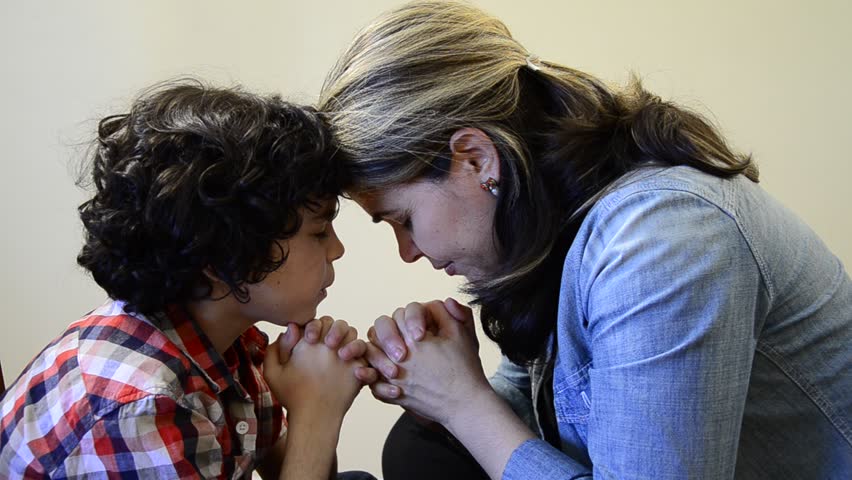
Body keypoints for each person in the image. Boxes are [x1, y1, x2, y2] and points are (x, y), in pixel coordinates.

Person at [317, 1, 852, 478]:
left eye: (403, 219)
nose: (409, 252)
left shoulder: (661, 240)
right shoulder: (555, 229)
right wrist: (437, 384)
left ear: (476, 159)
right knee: (422, 448)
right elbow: (549, 418)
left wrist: (463, 403)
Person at [0, 81, 377, 480]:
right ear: (226, 257)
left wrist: (311, 392)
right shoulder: (141, 403)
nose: (337, 250)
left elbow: (298, 467)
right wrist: (317, 413)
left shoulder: (229, 343)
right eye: (319, 232)